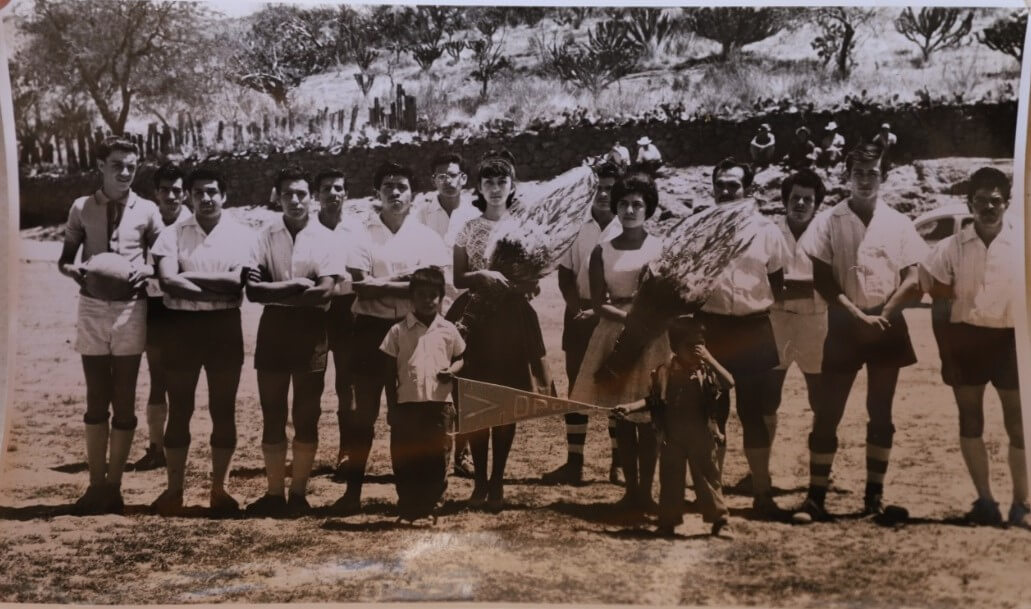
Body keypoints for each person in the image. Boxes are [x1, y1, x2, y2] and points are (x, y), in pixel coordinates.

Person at [795, 143, 928, 521]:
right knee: (827, 412)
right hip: (844, 323)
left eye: (873, 173)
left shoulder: (899, 222)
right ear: (846, 176)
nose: (866, 180)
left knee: (881, 411)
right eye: (859, 172)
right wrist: (855, 314)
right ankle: (815, 498)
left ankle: (873, 498)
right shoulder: (829, 221)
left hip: (886, 324)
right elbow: (822, 278)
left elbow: (913, 278)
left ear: (883, 176)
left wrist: (883, 313)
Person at [334, 161, 450, 515]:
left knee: (411, 416)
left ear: (413, 194)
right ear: (377, 193)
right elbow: (362, 289)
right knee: (362, 415)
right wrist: (408, 281)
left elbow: (430, 291)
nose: (395, 192)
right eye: (388, 186)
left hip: (414, 335)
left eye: (401, 186)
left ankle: (415, 494)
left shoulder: (427, 237)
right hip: (370, 331)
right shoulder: (361, 235)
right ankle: (352, 492)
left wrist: (386, 284)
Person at [57, 136, 163, 515]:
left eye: (131, 166)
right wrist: (79, 271)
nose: (124, 172)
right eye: (116, 164)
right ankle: (95, 485)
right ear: (100, 166)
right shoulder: (81, 207)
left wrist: (144, 268)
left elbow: (162, 261)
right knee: (95, 394)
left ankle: (115, 486)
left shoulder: (148, 210)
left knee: (125, 395)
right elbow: (65, 260)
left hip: (131, 309)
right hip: (92, 306)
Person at [920, 167, 1027, 528]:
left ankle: (1022, 504)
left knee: (1019, 424)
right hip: (966, 339)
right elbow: (938, 305)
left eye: (995, 201)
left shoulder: (1022, 242)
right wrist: (945, 355)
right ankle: (985, 501)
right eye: (980, 201)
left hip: (1011, 340)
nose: (988, 208)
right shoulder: (951, 248)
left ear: (1007, 203)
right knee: (970, 420)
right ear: (969, 204)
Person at [148, 167, 255, 517]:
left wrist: (188, 276)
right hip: (182, 328)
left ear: (224, 195)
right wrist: (214, 285)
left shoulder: (242, 235)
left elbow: (237, 284)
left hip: (224, 328)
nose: (206, 198)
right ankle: (174, 490)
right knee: (179, 409)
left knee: (223, 410)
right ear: (189, 197)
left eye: (212, 191)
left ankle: (219, 491)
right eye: (198, 193)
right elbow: (167, 282)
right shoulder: (171, 234)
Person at [451, 150, 552, 512]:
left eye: (502, 182)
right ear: (478, 187)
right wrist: (482, 275)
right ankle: (478, 481)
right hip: (476, 316)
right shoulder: (469, 227)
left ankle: (497, 482)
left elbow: (535, 273)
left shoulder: (525, 226)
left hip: (511, 320)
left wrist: (527, 284)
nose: (495, 189)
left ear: (512, 186)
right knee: (477, 400)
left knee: (506, 400)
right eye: (488, 182)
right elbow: (458, 277)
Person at [244, 166, 344, 517]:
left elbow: (326, 291)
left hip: (312, 330)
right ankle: (274, 494)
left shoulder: (326, 238)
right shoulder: (265, 234)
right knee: (272, 413)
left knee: (307, 413)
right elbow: (253, 291)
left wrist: (277, 293)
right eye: (288, 194)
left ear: (311, 197)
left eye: (302, 193)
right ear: (278, 196)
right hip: (273, 329)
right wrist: (297, 287)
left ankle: (298, 494)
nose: (296, 200)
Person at [568, 170, 667, 517]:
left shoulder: (661, 247)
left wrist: (649, 321)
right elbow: (598, 302)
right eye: (622, 204)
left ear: (648, 208)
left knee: (651, 410)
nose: (629, 210)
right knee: (622, 415)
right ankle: (631, 491)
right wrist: (630, 320)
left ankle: (647, 492)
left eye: (637, 204)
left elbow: (670, 293)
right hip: (617, 332)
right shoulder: (602, 250)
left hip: (655, 336)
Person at [700, 158, 790, 520]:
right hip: (712, 328)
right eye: (720, 184)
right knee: (711, 414)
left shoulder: (768, 231)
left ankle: (762, 493)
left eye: (733, 185)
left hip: (753, 328)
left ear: (748, 189)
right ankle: (713, 494)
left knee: (754, 416)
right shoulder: (700, 229)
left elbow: (778, 283)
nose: (726, 191)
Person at [613, 315, 735, 538]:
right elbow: (653, 400)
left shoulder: (707, 371)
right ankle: (667, 521)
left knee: (708, 478)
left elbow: (729, 382)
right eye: (691, 346)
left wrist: (711, 359)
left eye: (701, 344)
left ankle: (720, 520)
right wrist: (630, 407)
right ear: (675, 347)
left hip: (701, 436)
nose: (698, 351)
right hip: (672, 437)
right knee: (670, 479)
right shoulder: (665, 372)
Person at [542, 160, 623, 486]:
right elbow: (564, 276)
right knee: (578, 389)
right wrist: (578, 310)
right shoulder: (575, 227)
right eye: (597, 188)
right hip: (580, 315)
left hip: (616, 315)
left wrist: (606, 312)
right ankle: (574, 462)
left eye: (609, 188)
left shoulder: (628, 225)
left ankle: (619, 464)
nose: (603, 194)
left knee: (617, 388)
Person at [380, 267, 466, 524]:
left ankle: (430, 508)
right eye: (421, 295)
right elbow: (387, 372)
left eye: (433, 295)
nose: (428, 300)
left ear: (442, 298)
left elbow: (461, 357)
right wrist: (392, 406)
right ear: (411, 298)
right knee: (406, 456)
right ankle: (407, 507)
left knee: (437, 457)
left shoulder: (448, 330)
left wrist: (452, 370)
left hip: (439, 406)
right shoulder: (398, 331)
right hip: (407, 404)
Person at [760, 169, 829, 491]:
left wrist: (791, 288)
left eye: (808, 199)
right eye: (795, 198)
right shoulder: (770, 233)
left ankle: (823, 468)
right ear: (784, 200)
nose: (800, 204)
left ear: (817, 204)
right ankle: (760, 469)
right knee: (767, 398)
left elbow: (834, 282)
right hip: (778, 322)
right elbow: (762, 279)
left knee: (822, 399)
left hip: (816, 323)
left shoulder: (827, 233)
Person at [415, 152, 481, 478]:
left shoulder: (475, 214)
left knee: (465, 378)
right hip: (432, 307)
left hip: (469, 305)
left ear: (463, 178)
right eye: (440, 175)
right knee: (435, 379)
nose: (446, 180)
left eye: (452, 174)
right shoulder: (422, 214)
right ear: (433, 180)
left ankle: (464, 454)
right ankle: (433, 452)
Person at [133, 163, 192, 472]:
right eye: (165, 190)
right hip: (154, 309)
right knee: (157, 379)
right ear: (155, 193)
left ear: (185, 194)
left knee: (182, 380)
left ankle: (176, 443)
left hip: (184, 311)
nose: (171, 196)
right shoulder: (145, 224)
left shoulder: (192, 225)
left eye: (177, 190)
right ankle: (156, 446)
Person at [311, 169, 365, 481]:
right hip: (315, 309)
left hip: (348, 308)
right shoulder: (307, 229)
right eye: (327, 188)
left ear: (346, 193)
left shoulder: (356, 229)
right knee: (312, 382)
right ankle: (307, 448)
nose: (333, 193)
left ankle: (348, 450)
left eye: (339, 188)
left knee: (348, 383)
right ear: (317, 194)